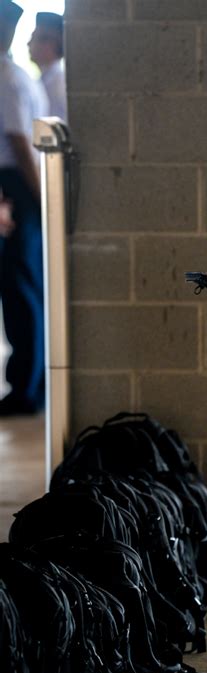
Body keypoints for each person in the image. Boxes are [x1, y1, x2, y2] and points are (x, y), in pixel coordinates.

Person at [0, 0, 48, 415]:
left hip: (15, 187)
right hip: (19, 186)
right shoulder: (16, 75)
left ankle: (26, 388)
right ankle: (31, 382)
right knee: (23, 286)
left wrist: (36, 198)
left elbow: (18, 142)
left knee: (20, 289)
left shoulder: (8, 78)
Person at [28, 11, 67, 121]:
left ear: (51, 44)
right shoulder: (44, 81)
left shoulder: (59, 85)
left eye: (35, 38)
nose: (29, 43)